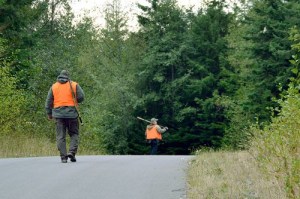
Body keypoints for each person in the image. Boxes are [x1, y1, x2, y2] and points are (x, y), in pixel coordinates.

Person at [45, 70, 84, 163]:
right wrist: (75, 99)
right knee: (74, 134)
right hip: (72, 114)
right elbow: (81, 97)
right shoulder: (74, 85)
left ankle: (63, 157)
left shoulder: (54, 87)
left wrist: (49, 113)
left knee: (60, 136)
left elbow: (48, 102)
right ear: (68, 77)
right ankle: (71, 152)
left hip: (58, 115)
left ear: (59, 77)